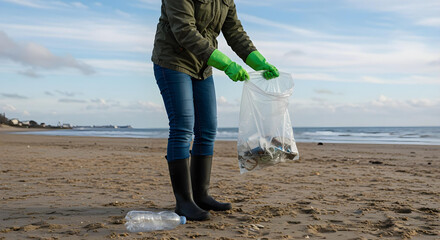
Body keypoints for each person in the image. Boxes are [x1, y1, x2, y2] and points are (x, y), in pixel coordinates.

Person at [152, 0, 279, 221]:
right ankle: (184, 202)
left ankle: (201, 196)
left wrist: (259, 62)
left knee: (207, 129)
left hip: (202, 66)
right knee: (183, 127)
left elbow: (235, 32)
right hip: (172, 61)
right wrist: (226, 63)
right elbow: (184, 30)